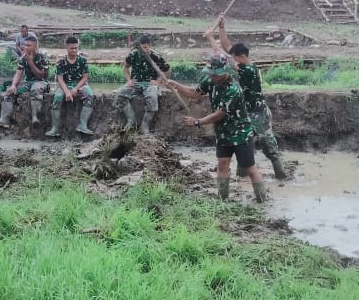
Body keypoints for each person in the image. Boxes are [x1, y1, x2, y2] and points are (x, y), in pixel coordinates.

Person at [168, 53, 268, 203]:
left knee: (249, 168)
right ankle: (222, 201)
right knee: (222, 165)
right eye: (211, 74)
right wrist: (176, 85)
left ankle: (262, 201)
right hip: (223, 134)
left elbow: (219, 114)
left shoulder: (233, 90)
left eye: (215, 74)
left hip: (241, 134)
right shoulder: (211, 81)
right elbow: (195, 93)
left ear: (225, 72)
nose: (212, 77)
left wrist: (197, 122)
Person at [214, 19, 287, 180]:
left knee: (269, 146)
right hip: (247, 114)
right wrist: (222, 28)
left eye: (234, 58)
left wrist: (211, 40)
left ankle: (281, 175)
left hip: (258, 114)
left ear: (241, 57)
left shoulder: (247, 71)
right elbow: (227, 48)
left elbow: (223, 55)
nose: (231, 60)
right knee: (243, 143)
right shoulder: (244, 64)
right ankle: (242, 176)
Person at [0, 35, 50, 129]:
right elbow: (18, 73)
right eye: (25, 45)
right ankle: (4, 119)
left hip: (42, 82)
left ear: (35, 46)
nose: (25, 47)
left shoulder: (42, 57)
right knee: (10, 90)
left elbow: (41, 75)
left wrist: (30, 62)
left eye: (28, 45)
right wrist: (14, 85)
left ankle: (35, 118)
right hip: (28, 82)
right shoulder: (23, 58)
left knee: (36, 88)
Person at [115, 35, 170, 134]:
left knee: (153, 99)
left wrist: (157, 81)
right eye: (142, 47)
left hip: (150, 84)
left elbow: (167, 70)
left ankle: (144, 126)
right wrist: (129, 80)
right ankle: (131, 120)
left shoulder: (156, 56)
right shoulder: (134, 54)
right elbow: (125, 67)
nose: (144, 49)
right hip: (136, 83)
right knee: (120, 94)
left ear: (150, 45)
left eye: (146, 47)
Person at [47, 36, 94, 137]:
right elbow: (60, 79)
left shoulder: (83, 61)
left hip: (79, 84)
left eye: (76, 48)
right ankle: (55, 128)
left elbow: (85, 78)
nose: (74, 50)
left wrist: (76, 89)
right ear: (67, 48)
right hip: (65, 85)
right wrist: (67, 92)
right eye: (72, 48)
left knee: (89, 94)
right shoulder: (61, 62)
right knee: (58, 97)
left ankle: (83, 125)